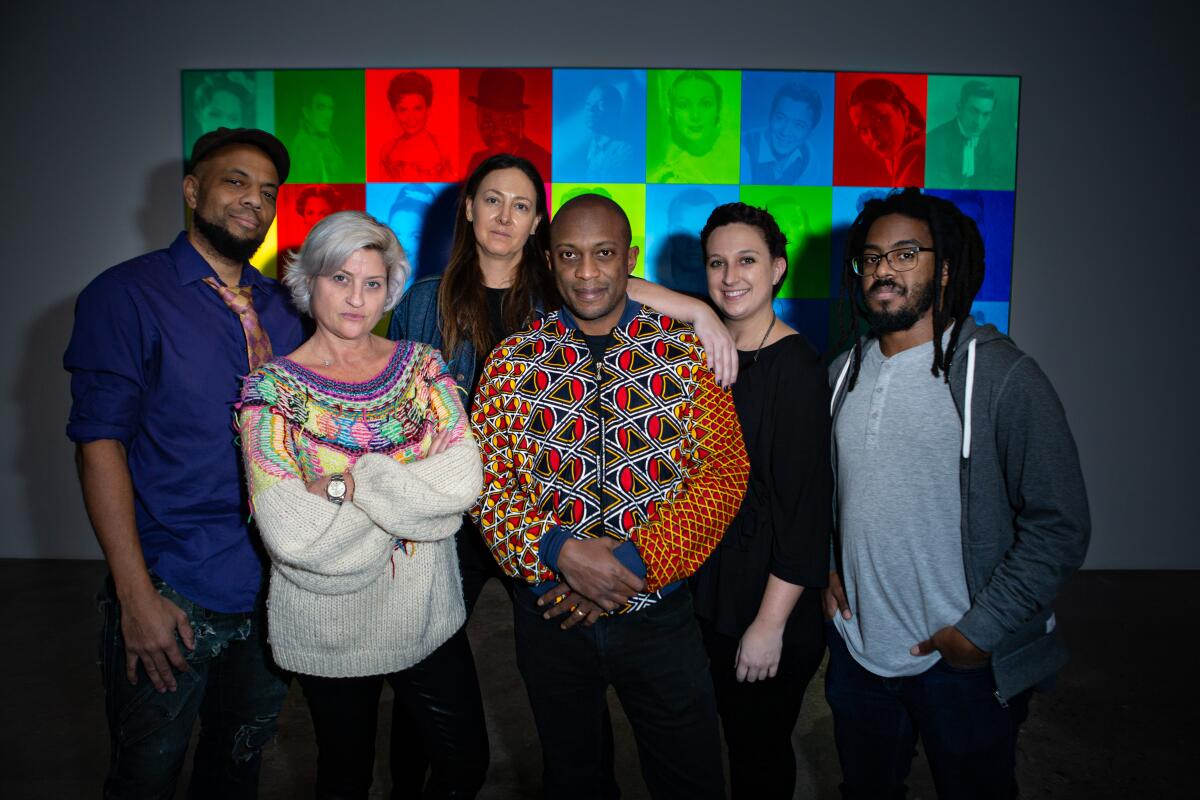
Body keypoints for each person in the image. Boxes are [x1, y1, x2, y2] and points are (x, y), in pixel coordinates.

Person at [471, 193, 751, 799]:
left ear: (631, 257)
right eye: (569, 255)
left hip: (659, 617)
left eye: (603, 254)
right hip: (550, 614)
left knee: (692, 777)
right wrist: (562, 556)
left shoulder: (683, 355)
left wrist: (627, 567)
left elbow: (724, 473)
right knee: (574, 779)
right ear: (548, 260)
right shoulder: (510, 363)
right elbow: (485, 484)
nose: (587, 273)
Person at [824, 188, 1090, 798]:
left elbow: (1060, 524)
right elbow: (831, 496)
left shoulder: (1002, 376)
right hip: (860, 653)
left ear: (943, 269)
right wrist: (828, 565)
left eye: (905, 253)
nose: (883, 269)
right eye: (870, 257)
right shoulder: (841, 376)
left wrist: (979, 632)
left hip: (962, 664)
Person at [64, 127, 303, 797]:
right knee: (146, 778)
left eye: (267, 191)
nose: (253, 200)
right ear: (192, 190)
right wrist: (136, 596)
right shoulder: (126, 295)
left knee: (237, 773)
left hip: (268, 592)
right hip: (171, 588)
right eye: (235, 182)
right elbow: (98, 443)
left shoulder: (286, 311)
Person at [237, 210, 488, 799]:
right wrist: (407, 492)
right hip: (328, 622)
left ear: (390, 290)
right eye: (340, 278)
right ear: (310, 281)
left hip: (427, 612)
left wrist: (350, 486)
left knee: (465, 763)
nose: (356, 298)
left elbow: (459, 482)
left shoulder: (423, 365)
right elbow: (294, 535)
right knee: (344, 777)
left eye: (372, 283)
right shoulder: (271, 392)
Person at [690, 202, 831, 799]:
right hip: (709, 592)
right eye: (717, 264)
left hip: (767, 601)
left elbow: (806, 514)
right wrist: (697, 310)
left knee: (758, 753)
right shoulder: (702, 347)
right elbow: (620, 285)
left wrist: (769, 625)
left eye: (746, 260)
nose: (730, 277)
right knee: (724, 739)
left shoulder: (796, 367)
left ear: (777, 268)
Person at [649, 70, 736, 183]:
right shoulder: (664, 175)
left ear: (718, 109)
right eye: (683, 105)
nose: (695, 116)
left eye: (706, 104)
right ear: (671, 111)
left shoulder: (738, 157)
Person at [465, 69, 551, 179]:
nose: (497, 129)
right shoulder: (477, 161)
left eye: (506, 120)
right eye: (488, 120)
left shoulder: (544, 163)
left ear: (521, 119)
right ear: (477, 119)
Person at [926, 80, 1010, 189]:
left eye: (986, 114)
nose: (979, 122)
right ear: (959, 107)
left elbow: (996, 185)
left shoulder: (998, 144)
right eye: (974, 111)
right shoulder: (934, 140)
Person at [847, 78, 926, 186]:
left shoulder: (915, 153)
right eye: (863, 130)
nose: (873, 136)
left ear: (904, 110)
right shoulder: (895, 158)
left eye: (879, 120)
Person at [741, 83, 822, 184]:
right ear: (770, 116)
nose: (785, 132)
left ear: (810, 133)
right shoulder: (742, 150)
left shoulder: (809, 159)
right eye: (780, 118)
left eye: (799, 125)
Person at [379, 70, 453, 181]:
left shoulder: (444, 148)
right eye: (403, 110)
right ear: (395, 112)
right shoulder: (387, 151)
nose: (411, 118)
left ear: (428, 109)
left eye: (417, 109)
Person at [579, 82, 636, 176]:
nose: (591, 109)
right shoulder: (589, 147)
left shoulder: (625, 151)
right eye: (588, 104)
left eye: (601, 104)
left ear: (615, 110)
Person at [290, 89, 345, 182]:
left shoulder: (329, 143)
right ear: (306, 112)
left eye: (331, 108)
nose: (328, 115)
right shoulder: (302, 146)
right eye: (321, 108)